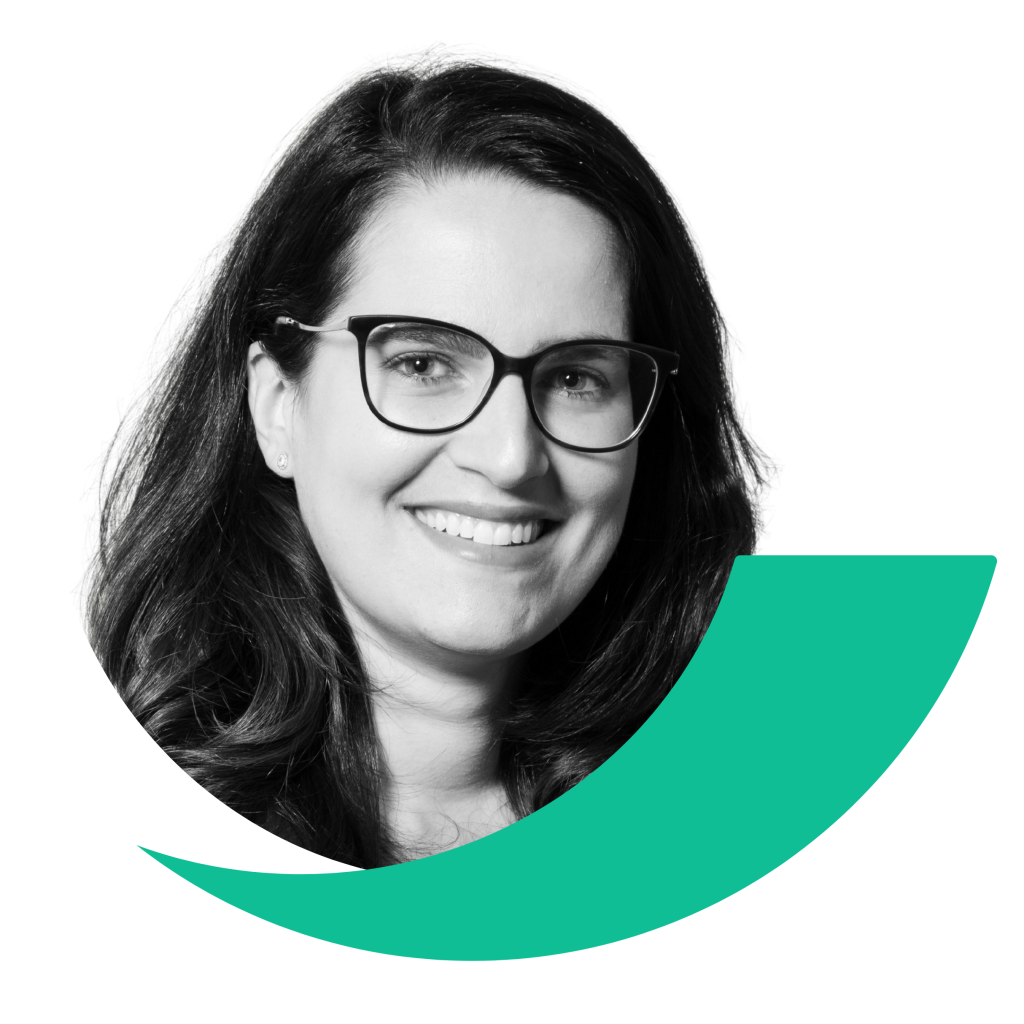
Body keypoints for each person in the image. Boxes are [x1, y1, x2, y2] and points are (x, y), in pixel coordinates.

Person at [88, 59, 765, 868]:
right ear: (277, 404)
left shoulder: (750, 804)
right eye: (423, 364)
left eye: (576, 378)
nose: (511, 457)